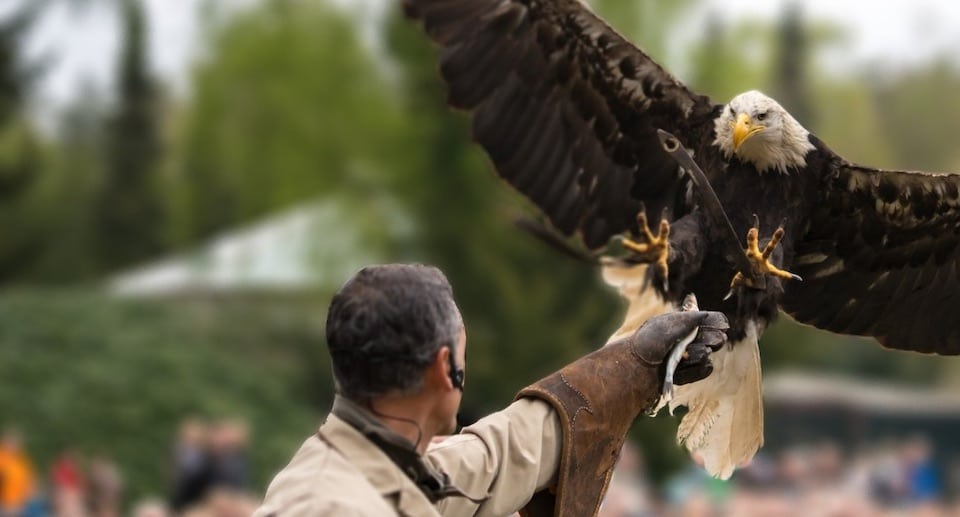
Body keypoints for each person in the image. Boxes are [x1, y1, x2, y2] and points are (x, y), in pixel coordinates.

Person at [254, 264, 727, 516]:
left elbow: (496, 456)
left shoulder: (377, 466)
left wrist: (632, 368)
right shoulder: (328, 507)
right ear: (446, 368)